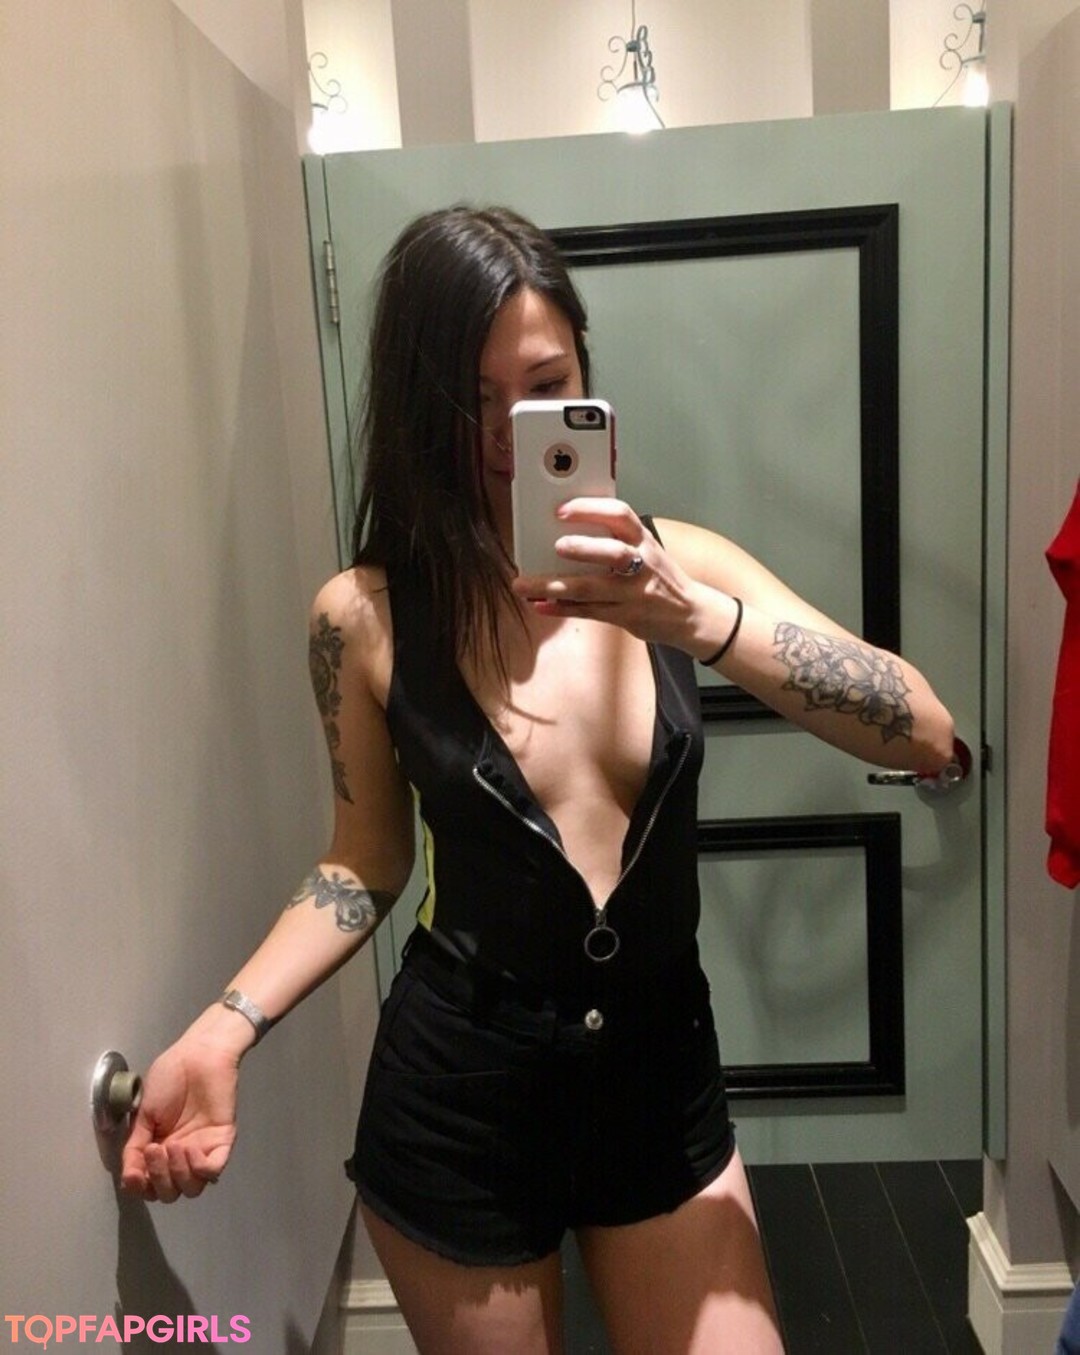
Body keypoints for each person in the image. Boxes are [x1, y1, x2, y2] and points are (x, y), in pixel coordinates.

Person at [121, 204, 956, 1354]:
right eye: (472, 400)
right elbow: (364, 861)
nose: (512, 435)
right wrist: (225, 1029)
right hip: (459, 1095)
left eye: (545, 385)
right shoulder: (364, 619)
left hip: (660, 1080)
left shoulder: (684, 566)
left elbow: (922, 729)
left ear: (585, 381)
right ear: (417, 409)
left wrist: (697, 620)